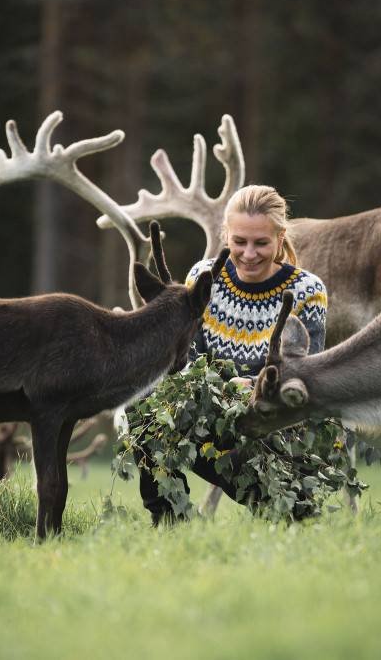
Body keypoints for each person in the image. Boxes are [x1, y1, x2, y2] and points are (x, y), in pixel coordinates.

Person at [136, 184, 328, 524]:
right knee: (145, 403)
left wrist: (254, 385)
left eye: (261, 243)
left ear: (280, 237)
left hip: (273, 431)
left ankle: (289, 505)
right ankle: (169, 522)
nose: (249, 253)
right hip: (211, 420)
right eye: (239, 242)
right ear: (225, 235)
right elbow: (188, 361)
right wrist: (218, 389)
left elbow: (306, 374)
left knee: (291, 513)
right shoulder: (204, 278)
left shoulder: (306, 290)